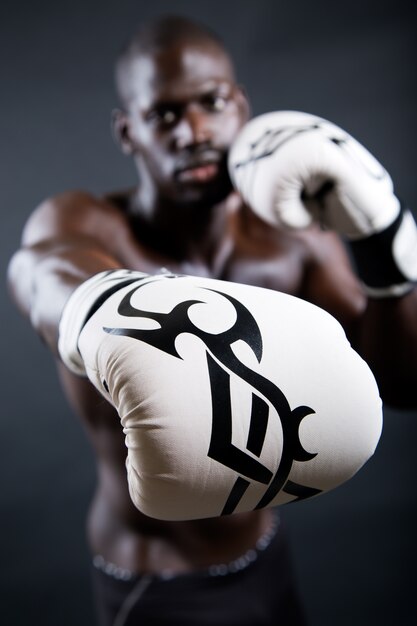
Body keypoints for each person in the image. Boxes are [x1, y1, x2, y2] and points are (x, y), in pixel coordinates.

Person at [7, 14, 417, 626]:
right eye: (164, 115)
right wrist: (103, 308)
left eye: (211, 102)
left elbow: (402, 382)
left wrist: (384, 242)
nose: (193, 131)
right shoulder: (92, 227)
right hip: (156, 581)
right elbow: (42, 272)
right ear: (128, 132)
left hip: (264, 550)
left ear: (241, 107)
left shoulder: (292, 242)